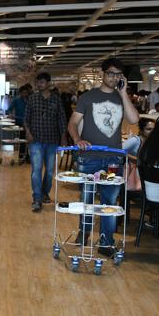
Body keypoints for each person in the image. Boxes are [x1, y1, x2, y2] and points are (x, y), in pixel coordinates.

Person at [67, 57, 140, 256]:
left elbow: (134, 119)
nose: (113, 78)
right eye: (110, 73)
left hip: (113, 159)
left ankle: (106, 242)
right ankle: (84, 233)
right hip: (88, 157)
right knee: (87, 199)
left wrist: (124, 92)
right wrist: (77, 138)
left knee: (109, 202)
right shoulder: (88, 97)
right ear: (102, 73)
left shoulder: (121, 98)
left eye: (118, 75)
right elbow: (72, 123)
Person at [24, 72, 67, 212]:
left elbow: (61, 119)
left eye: (42, 82)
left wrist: (63, 136)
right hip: (35, 140)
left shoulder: (56, 100)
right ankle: (37, 198)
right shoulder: (32, 98)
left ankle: (44, 193)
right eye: (37, 82)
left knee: (49, 171)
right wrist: (28, 133)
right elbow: (26, 118)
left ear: (48, 83)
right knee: (36, 170)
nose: (39, 85)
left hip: (52, 140)